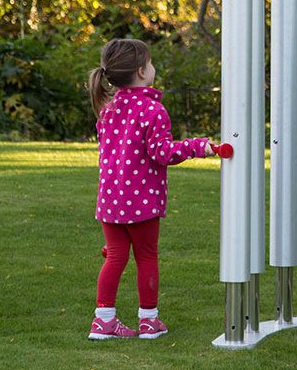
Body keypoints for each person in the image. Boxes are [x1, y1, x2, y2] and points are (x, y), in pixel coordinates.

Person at [86, 38, 217, 340]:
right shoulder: (153, 110)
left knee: (115, 257)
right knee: (146, 257)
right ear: (142, 71)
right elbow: (162, 153)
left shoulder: (107, 110)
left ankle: (103, 321)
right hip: (142, 202)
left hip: (110, 201)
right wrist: (198, 147)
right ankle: (149, 321)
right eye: (152, 63)